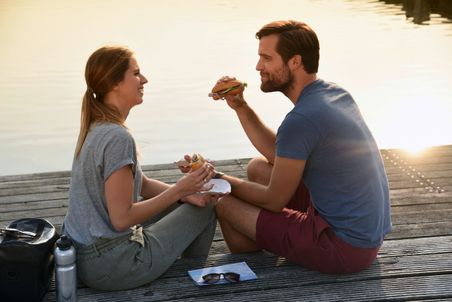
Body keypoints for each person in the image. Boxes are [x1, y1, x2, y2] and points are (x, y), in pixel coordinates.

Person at [210, 20, 392, 274]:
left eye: (266, 58)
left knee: (220, 199)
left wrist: (217, 177)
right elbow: (279, 153)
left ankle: (254, 253)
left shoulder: (302, 119)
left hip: (343, 248)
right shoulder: (333, 93)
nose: (258, 66)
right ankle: (274, 234)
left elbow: (274, 200)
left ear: (294, 62)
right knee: (258, 168)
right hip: (365, 235)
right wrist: (240, 106)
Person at [62, 45, 218, 290]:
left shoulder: (99, 125)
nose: (144, 79)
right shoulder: (118, 138)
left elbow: (142, 185)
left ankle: (174, 263)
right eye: (136, 73)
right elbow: (122, 219)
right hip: (112, 265)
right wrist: (179, 190)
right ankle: (188, 280)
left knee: (193, 202)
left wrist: (187, 194)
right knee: (205, 211)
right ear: (114, 83)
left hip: (84, 257)